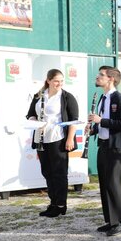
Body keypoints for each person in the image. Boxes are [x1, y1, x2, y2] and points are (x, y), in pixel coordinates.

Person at [25, 68, 79, 217]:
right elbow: (30, 115)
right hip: (41, 138)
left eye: (61, 81)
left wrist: (70, 139)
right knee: (47, 172)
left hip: (58, 138)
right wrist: (36, 123)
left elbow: (73, 120)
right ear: (48, 80)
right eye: (56, 81)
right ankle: (53, 203)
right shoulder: (38, 96)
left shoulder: (67, 97)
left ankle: (61, 205)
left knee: (59, 173)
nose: (59, 84)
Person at [88, 66, 121, 236]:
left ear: (111, 79)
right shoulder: (102, 97)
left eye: (101, 75)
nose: (98, 77)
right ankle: (110, 221)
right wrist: (93, 129)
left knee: (114, 184)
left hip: (116, 147)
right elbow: (102, 124)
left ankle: (120, 222)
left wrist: (101, 121)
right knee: (104, 183)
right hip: (104, 145)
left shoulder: (120, 98)